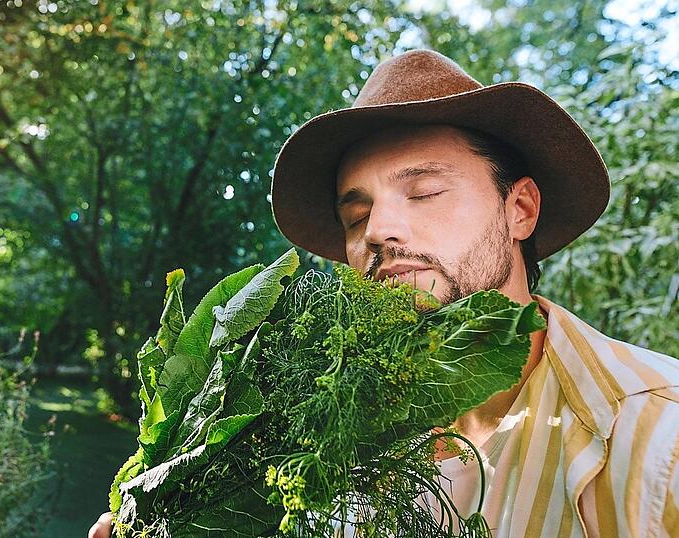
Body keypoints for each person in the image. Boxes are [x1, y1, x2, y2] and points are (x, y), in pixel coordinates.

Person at [89, 49, 679, 537]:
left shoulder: (657, 438)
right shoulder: (310, 438)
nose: (376, 231)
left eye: (422, 192)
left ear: (519, 209)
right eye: (356, 216)